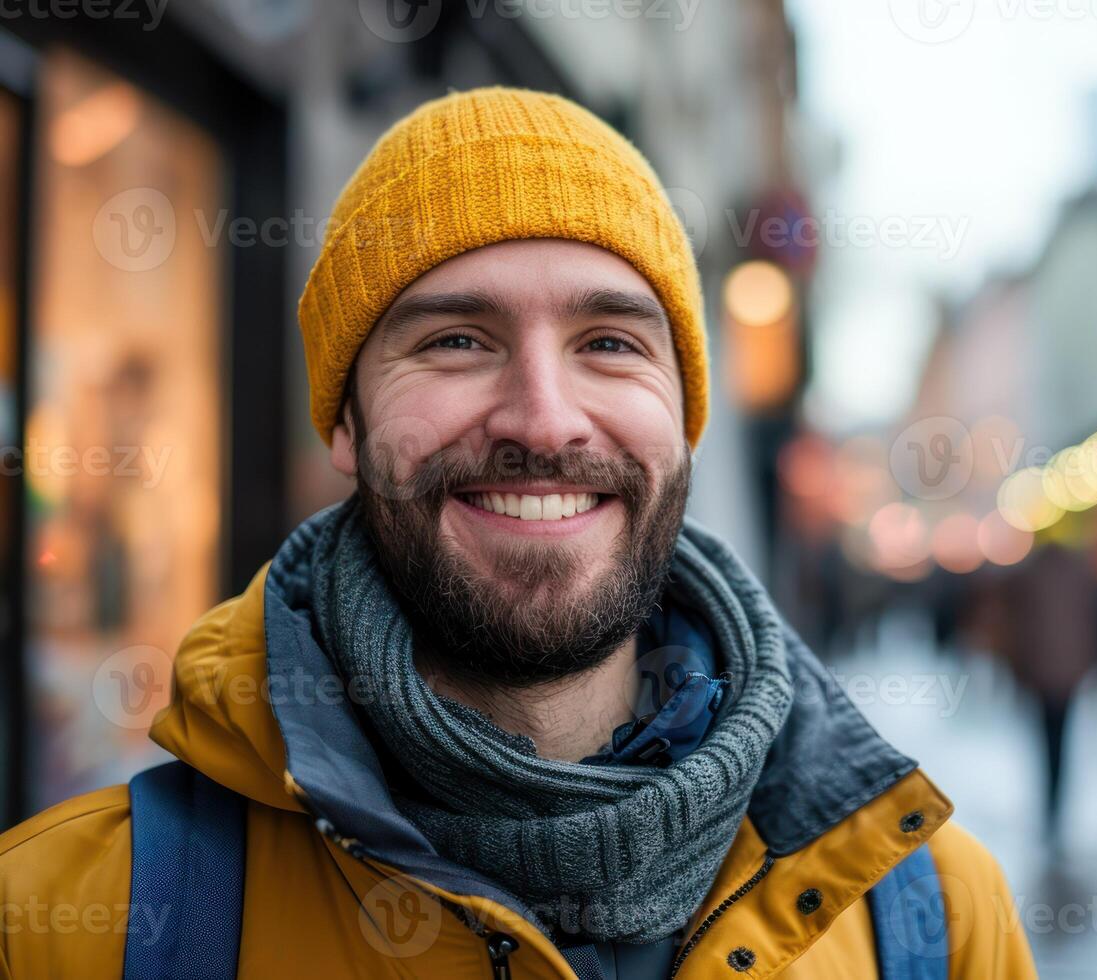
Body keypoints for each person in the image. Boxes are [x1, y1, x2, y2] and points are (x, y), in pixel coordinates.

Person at [0, 88, 1037, 979]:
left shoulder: (933, 924)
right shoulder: (65, 923)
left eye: (609, 342)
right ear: (347, 424)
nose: (543, 419)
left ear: (683, 416)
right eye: (456, 339)